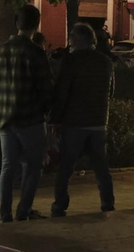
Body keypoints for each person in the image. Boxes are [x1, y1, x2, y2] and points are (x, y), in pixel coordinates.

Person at [0, 4, 53, 223]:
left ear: (16, 23)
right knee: (34, 166)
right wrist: (46, 111)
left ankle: (5, 214)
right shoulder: (35, 52)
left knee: (8, 167)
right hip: (29, 118)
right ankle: (23, 211)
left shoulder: (1, 52)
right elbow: (46, 88)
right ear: (35, 24)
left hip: (4, 118)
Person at [50, 23, 117, 216]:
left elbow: (62, 92)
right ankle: (108, 203)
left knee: (65, 168)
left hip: (75, 122)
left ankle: (60, 205)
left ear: (76, 40)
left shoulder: (71, 61)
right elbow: (111, 92)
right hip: (98, 121)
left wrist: (56, 120)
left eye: (71, 37)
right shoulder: (105, 62)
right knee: (101, 167)